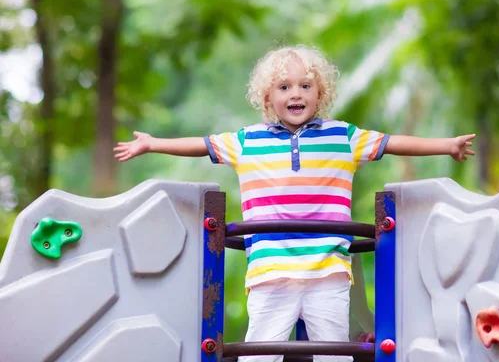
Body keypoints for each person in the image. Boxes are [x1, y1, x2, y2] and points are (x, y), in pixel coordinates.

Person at [113, 45, 475, 361]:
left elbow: (395, 142)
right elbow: (199, 144)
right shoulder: (247, 141)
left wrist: (446, 145)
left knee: (334, 353)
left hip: (327, 271)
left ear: (321, 94)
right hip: (271, 271)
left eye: (306, 86)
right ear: (267, 97)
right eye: (284, 87)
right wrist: (153, 142)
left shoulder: (343, 137)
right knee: (259, 353)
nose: (295, 94)